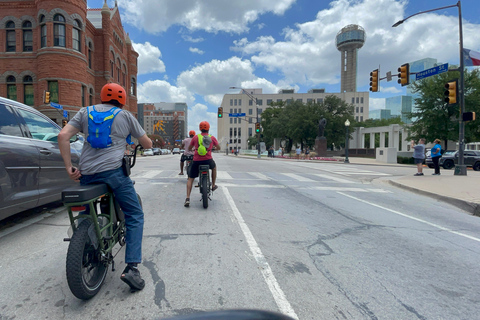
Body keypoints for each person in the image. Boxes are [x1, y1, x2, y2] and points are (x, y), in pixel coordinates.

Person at [58, 83, 152, 292]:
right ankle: (132, 269)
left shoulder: (84, 112)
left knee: (84, 213)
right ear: (122, 99)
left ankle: (84, 245)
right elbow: (147, 144)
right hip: (114, 174)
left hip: (87, 174)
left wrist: (69, 168)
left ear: (101, 97)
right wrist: (137, 142)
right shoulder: (126, 116)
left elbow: (63, 136)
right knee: (135, 214)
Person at [184, 121, 220, 207]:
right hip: (208, 160)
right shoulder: (211, 138)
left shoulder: (196, 137)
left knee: (190, 179)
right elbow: (219, 147)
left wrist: (193, 149)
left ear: (200, 129)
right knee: (214, 168)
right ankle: (213, 185)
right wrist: (213, 148)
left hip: (196, 160)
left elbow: (189, 147)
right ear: (208, 128)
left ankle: (188, 198)